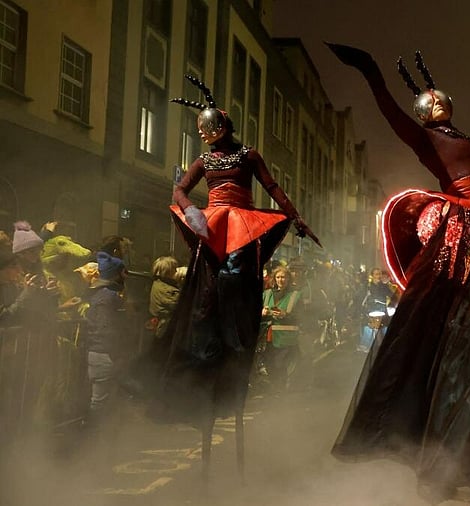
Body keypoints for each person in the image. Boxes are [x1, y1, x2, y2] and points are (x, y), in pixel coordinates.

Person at [326, 43, 470, 505]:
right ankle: (440, 455)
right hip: (463, 236)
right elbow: (388, 112)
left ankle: (459, 449)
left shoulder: (465, 138)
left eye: (440, 98)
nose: (436, 102)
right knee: (455, 335)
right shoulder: (425, 140)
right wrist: (371, 72)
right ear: (422, 113)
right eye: (428, 102)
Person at [124, 74, 319, 428]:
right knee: (208, 287)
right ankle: (208, 343)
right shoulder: (203, 160)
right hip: (214, 225)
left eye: (208, 128)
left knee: (236, 279)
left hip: (241, 224)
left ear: (222, 127)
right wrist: (192, 210)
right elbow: (179, 191)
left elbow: (272, 187)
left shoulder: (249, 156)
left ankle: (234, 336)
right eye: (201, 130)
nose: (202, 134)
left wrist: (297, 218)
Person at [82, 251, 127, 429]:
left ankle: (101, 440)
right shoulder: (107, 297)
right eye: (123, 271)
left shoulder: (103, 294)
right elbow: (105, 328)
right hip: (104, 354)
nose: (126, 275)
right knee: (100, 401)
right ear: (116, 274)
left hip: (103, 353)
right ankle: (91, 441)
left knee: (104, 400)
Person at [257, 265, 302, 392]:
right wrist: (262, 312)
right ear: (274, 278)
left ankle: (280, 392)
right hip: (267, 337)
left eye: (283, 277)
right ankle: (274, 389)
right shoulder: (267, 294)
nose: (280, 280)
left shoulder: (295, 295)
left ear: (288, 279)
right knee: (269, 364)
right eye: (278, 277)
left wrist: (285, 315)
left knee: (280, 365)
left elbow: (300, 317)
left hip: (285, 338)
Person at [148, 255, 180, 339]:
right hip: (166, 327)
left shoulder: (157, 282)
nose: (176, 271)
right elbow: (181, 305)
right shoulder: (168, 290)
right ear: (167, 272)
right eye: (174, 269)